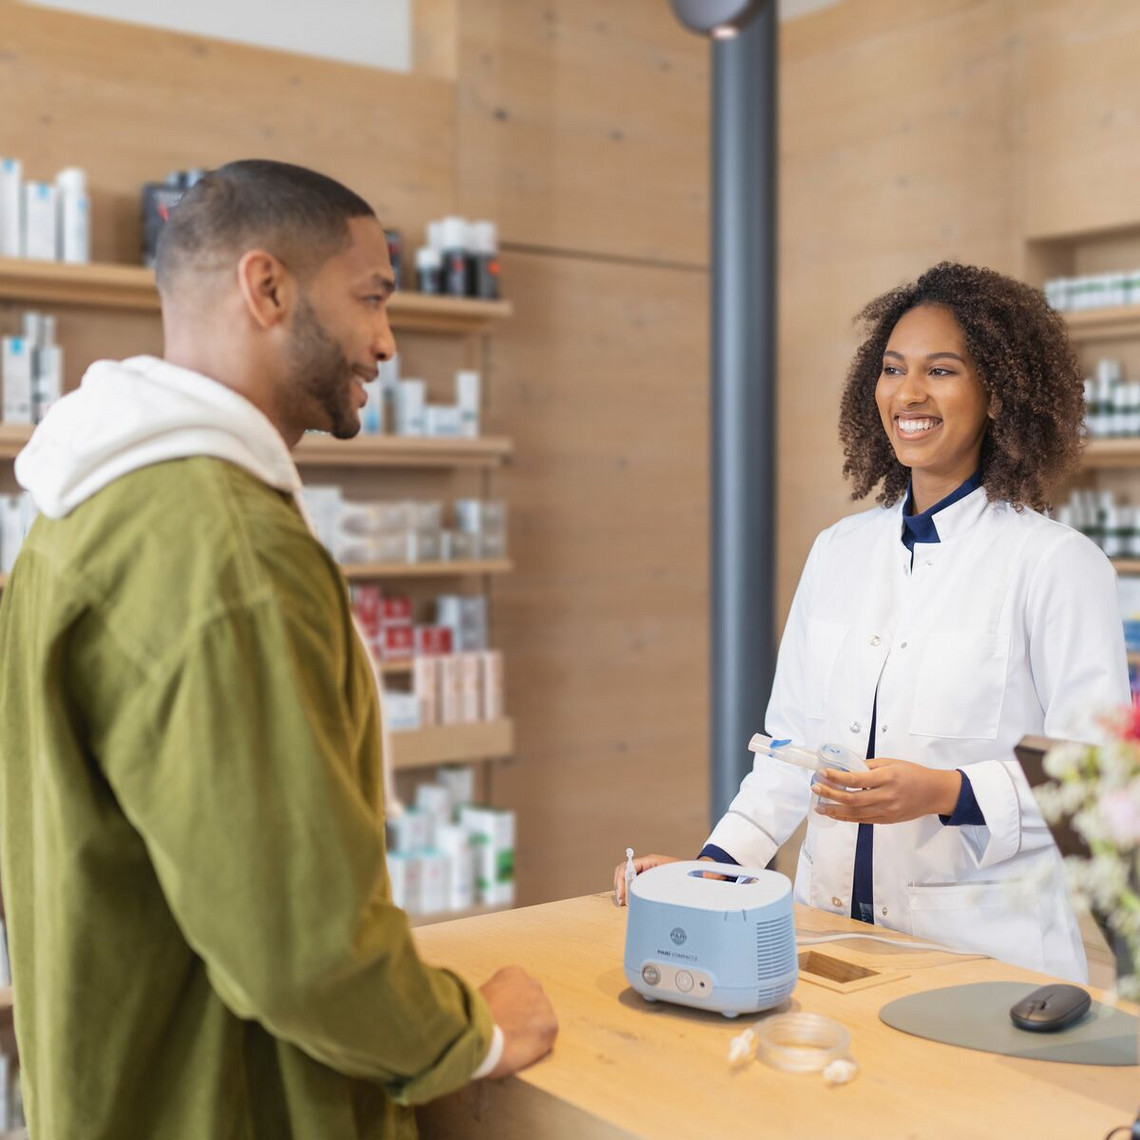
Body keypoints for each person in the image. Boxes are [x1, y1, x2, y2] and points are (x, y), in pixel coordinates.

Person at [0, 160, 556, 1139]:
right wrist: (470, 1036)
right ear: (267, 288)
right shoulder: (225, 547)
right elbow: (298, 941)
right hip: (233, 1105)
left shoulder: (81, 509)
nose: (386, 340)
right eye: (372, 298)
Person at [615, 262, 1129, 982]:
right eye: (893, 369)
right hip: (827, 939)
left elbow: (1099, 781)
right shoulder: (838, 551)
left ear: (997, 395)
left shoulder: (1056, 564)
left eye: (941, 370)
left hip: (987, 956)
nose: (908, 393)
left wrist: (946, 792)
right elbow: (788, 754)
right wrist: (712, 869)